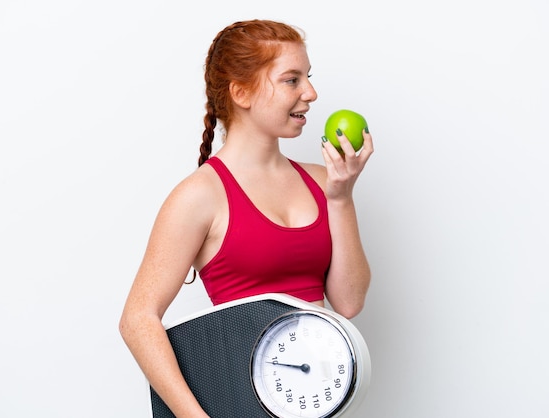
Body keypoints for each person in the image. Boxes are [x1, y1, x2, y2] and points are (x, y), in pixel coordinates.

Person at [119, 19, 374, 417]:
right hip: (237, 403)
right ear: (241, 92)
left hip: (319, 397)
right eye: (291, 80)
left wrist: (340, 198)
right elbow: (137, 319)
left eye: (308, 77)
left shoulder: (325, 181)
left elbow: (348, 302)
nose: (311, 93)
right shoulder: (200, 196)